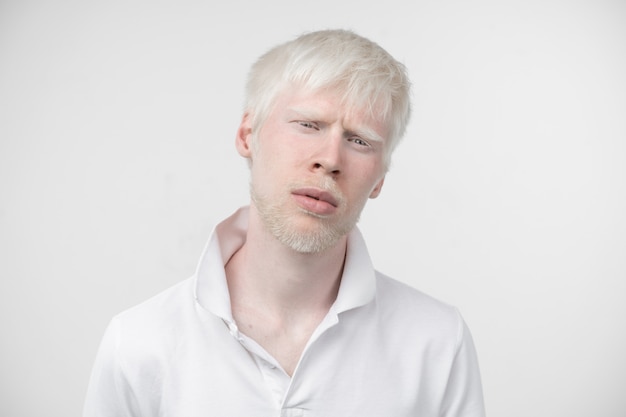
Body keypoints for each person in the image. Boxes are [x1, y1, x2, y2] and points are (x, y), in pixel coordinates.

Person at [83, 29, 486, 417]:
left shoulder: (436, 342)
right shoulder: (138, 342)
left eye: (360, 140)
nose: (330, 159)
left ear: (380, 178)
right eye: (308, 124)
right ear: (247, 135)